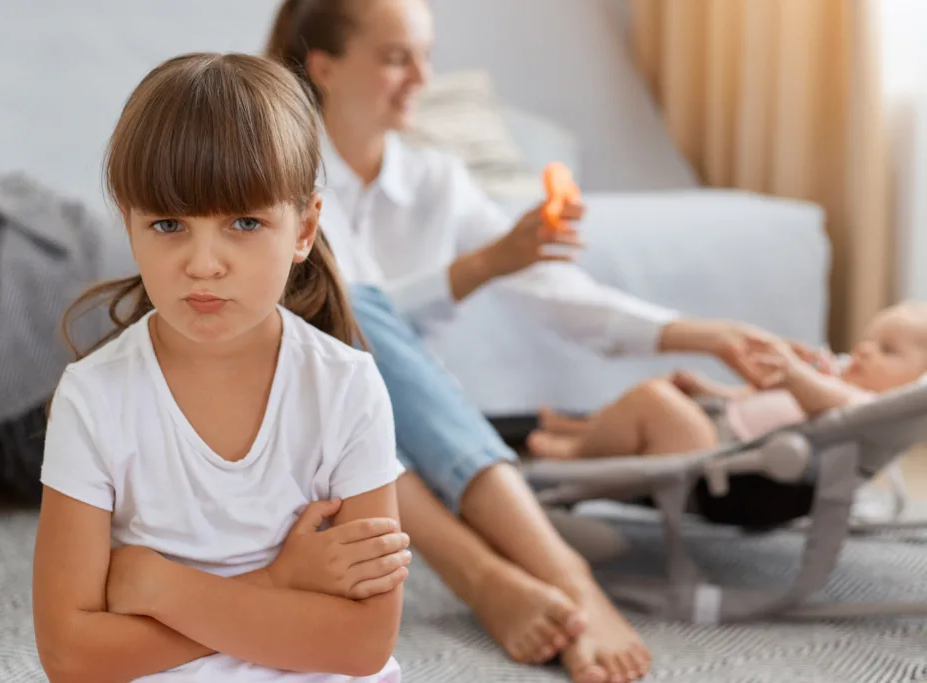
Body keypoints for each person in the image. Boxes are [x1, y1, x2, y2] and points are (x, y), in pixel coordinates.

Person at [267, 2, 802, 682]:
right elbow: (342, 317)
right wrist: (486, 263)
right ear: (325, 67)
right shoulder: (286, 179)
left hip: (413, 430)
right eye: (398, 57)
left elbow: (558, 294)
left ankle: (527, 574)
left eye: (426, 56)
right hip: (307, 424)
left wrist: (704, 334)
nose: (422, 78)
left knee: (378, 387)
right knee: (358, 323)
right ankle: (510, 575)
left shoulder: (436, 181)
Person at [32, 53, 413, 683]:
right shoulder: (92, 398)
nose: (203, 263)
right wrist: (279, 583)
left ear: (304, 227)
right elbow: (71, 656)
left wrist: (160, 589)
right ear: (129, 225)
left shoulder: (346, 386)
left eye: (243, 222)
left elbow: (364, 642)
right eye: (168, 224)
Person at [527, 301, 927, 461]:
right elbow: (752, 402)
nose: (864, 351)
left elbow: (829, 401)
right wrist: (710, 389)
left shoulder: (863, 405)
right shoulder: (839, 383)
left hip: (723, 455)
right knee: (666, 396)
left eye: (887, 350)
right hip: (722, 421)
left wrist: (795, 374)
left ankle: (576, 452)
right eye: (869, 340)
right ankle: (581, 425)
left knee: (653, 401)